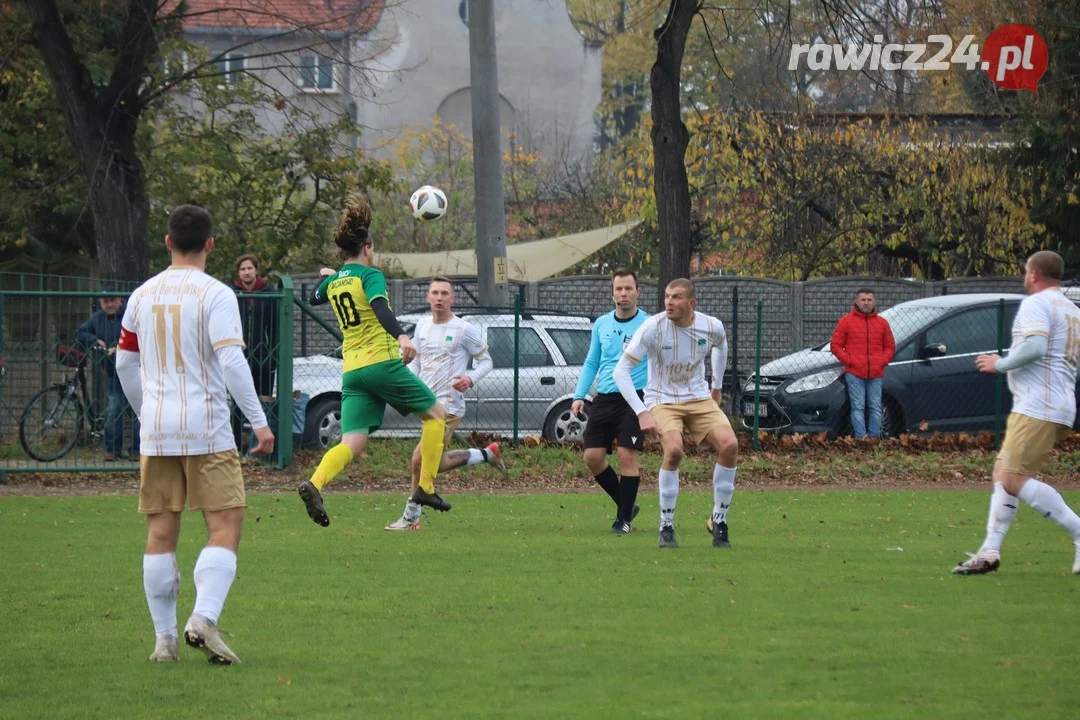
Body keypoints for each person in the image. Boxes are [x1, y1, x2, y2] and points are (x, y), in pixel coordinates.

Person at [115, 204, 275, 665]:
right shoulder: (216, 294)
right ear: (210, 245)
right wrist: (259, 423)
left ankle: (164, 642)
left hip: (158, 431)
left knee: (161, 532)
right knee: (225, 524)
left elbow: (125, 363)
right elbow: (230, 361)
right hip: (206, 428)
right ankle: (203, 618)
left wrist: (146, 412)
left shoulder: (141, 295)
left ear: (167, 243)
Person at [297, 193, 455, 527]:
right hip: (380, 363)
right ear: (367, 247)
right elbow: (380, 307)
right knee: (437, 416)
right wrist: (402, 335)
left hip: (352, 371)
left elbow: (313, 296)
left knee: (352, 441)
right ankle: (425, 487)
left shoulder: (337, 281)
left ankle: (315, 483)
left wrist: (329, 277)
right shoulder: (371, 276)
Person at [953, 250, 1080, 576]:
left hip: (1039, 404)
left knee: (1012, 478)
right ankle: (990, 551)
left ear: (1034, 274)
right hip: (1054, 402)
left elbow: (1036, 348)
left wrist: (1000, 364)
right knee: (1003, 475)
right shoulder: (1071, 308)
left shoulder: (1038, 303)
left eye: (1026, 271)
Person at [613, 278, 737, 549]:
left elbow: (721, 344)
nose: (669, 302)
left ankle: (719, 520)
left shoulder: (710, 325)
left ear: (691, 304)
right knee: (674, 452)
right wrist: (642, 412)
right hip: (662, 399)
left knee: (730, 445)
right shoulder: (653, 328)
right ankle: (666, 526)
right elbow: (619, 372)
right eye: (667, 296)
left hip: (699, 397)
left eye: (677, 297)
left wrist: (716, 386)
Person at [385, 276, 507, 531]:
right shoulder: (422, 325)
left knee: (419, 460)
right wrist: (409, 378)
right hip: (425, 404)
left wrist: (469, 378)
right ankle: (486, 454)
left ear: (453, 299)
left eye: (444, 293)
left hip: (448, 407)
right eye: (435, 293)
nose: (439, 298)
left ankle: (411, 518)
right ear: (427, 297)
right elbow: (417, 359)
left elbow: (487, 361)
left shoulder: (464, 329)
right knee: (433, 463)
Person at [571, 269, 648, 534]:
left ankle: (623, 520)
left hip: (635, 399)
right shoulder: (602, 324)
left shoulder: (649, 324)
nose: (623, 294)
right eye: (619, 289)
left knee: (627, 454)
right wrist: (579, 395)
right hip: (604, 398)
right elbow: (592, 361)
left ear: (638, 291)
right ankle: (626, 505)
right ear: (612, 292)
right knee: (592, 457)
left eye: (628, 289)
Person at [77, 288, 139, 461]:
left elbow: (141, 335)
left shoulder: (130, 314)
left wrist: (121, 348)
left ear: (119, 300)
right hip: (113, 373)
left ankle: (138, 450)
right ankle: (112, 450)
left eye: (113, 300)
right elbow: (80, 332)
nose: (110, 304)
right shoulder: (97, 318)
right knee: (113, 410)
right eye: (106, 302)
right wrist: (94, 340)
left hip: (135, 371)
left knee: (138, 411)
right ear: (101, 303)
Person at [830, 288, 895, 438]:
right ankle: (861, 439)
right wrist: (850, 361)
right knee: (857, 407)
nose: (866, 303)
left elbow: (890, 346)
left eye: (869, 300)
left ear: (874, 302)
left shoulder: (882, 324)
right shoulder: (846, 322)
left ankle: (874, 439)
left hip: (876, 373)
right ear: (857, 302)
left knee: (875, 407)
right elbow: (836, 345)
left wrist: (881, 362)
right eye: (863, 300)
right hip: (854, 373)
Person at [231, 254, 278, 453]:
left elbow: (275, 327)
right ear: (239, 272)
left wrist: (273, 355)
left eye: (250, 268)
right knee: (236, 403)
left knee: (263, 402)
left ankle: (261, 447)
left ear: (256, 270)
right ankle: (235, 446)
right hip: (239, 356)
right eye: (243, 269)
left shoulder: (269, 293)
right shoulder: (232, 294)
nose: (246, 272)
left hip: (264, 358)